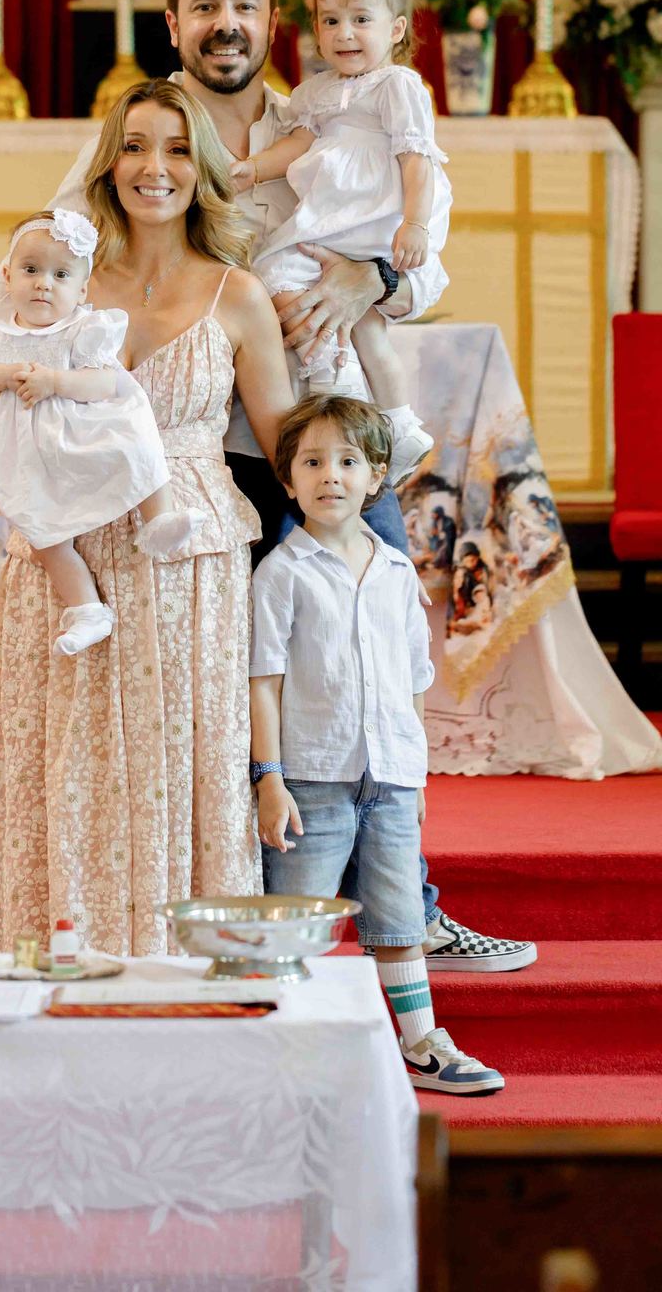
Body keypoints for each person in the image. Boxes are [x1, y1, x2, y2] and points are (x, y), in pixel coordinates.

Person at [0, 0, 537, 975]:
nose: (227, 25)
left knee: (355, 667)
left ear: (273, 23)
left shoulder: (330, 116)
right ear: (174, 23)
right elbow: (42, 258)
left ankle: (407, 912)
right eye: (206, 7)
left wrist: (376, 282)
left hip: (310, 442)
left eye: (246, 6)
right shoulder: (140, 134)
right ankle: (244, 922)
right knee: (223, 699)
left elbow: (423, 249)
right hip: (193, 455)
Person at [0, 80, 293, 956]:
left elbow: (285, 443)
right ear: (107, 164)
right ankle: (46, 956)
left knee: (180, 759)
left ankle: (181, 966)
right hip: (66, 552)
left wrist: (366, 467)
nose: (154, 167)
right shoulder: (55, 277)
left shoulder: (239, 294)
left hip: (186, 556)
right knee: (63, 757)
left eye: (176, 149)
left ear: (203, 168)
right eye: (135, 146)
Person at [251, 394, 504, 1095]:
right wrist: (269, 778)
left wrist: (413, 775)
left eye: (348, 461)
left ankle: (420, 1042)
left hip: (389, 778)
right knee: (298, 918)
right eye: (312, 463)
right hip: (313, 778)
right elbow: (263, 683)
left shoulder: (395, 572)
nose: (330, 475)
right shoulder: (281, 574)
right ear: (288, 480)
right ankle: (286, 1046)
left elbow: (413, 680)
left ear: (376, 478)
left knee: (398, 918)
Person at [234, 0, 451, 487]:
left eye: (360, 20)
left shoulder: (398, 85)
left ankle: (372, 411)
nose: (344, 33)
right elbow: (298, 146)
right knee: (306, 294)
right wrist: (252, 170)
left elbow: (416, 159)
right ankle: (385, 419)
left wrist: (415, 224)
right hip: (328, 225)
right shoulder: (315, 93)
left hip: (369, 224)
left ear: (396, 29)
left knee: (359, 321)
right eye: (330, 20)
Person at [0, 206, 200, 657]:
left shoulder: (84, 328)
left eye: (61, 275)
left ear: (82, 289)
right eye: (30, 270)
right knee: (43, 530)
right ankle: (86, 609)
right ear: (7, 275)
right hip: (25, 450)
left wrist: (54, 382)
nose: (43, 283)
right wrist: (0, 375)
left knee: (133, 439)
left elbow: (104, 383)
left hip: (81, 433)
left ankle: (159, 515)